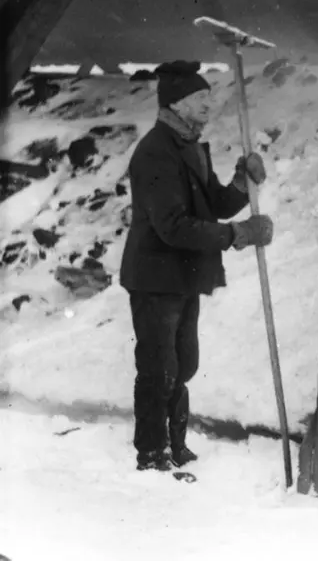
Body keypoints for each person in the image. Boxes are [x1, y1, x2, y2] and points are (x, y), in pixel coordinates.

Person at [120, 60, 275, 472]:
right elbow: (173, 226)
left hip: (182, 275)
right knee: (160, 368)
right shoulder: (155, 152)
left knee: (184, 364)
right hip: (155, 277)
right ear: (177, 103)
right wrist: (238, 234)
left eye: (209, 96)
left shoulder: (188, 146)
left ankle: (175, 445)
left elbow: (214, 205)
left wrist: (242, 182)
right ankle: (152, 453)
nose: (209, 104)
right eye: (200, 98)